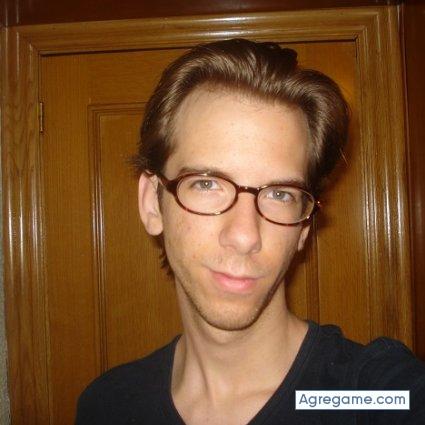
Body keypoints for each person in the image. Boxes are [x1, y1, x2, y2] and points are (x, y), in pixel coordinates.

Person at [75, 38, 425, 424]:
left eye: (280, 194)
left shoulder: (370, 396)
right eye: (206, 183)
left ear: (304, 226)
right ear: (152, 202)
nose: (244, 236)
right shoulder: (108, 406)